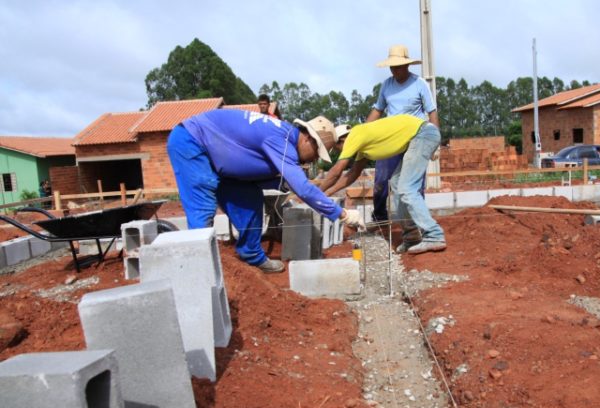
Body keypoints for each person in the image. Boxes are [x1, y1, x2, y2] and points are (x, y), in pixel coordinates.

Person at [166, 109, 364, 273]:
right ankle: (199, 270)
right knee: (203, 206)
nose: (313, 160)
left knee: (250, 199)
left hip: (223, 163)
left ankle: (251, 255)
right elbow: (302, 188)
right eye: (316, 153)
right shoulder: (282, 140)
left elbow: (261, 169)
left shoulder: (284, 138)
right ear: (307, 139)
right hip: (192, 141)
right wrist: (342, 214)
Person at [320, 115, 445, 254]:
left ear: (342, 139)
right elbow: (353, 173)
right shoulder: (363, 146)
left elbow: (338, 169)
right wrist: (327, 193)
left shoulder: (356, 134)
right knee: (397, 184)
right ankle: (412, 237)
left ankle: (434, 235)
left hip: (423, 134)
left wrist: (316, 193)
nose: (341, 152)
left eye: (338, 149)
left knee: (407, 188)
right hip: (419, 136)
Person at [367, 44, 439, 222]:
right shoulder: (386, 85)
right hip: (391, 140)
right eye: (392, 67)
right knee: (381, 180)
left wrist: (434, 146)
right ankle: (380, 217)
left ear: (407, 65)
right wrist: (363, 131)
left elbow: (432, 113)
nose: (395, 70)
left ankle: (417, 222)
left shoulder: (419, 84)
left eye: (398, 66)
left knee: (414, 185)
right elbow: (378, 109)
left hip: (415, 141)